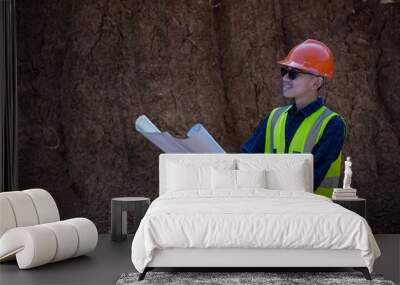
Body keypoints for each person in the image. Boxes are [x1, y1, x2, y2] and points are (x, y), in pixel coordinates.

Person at [240, 39, 346, 198]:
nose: (285, 78)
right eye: (284, 72)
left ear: (316, 83)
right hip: (273, 209)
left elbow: (310, 180)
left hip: (314, 215)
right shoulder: (274, 118)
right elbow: (246, 162)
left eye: (293, 74)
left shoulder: (332, 125)